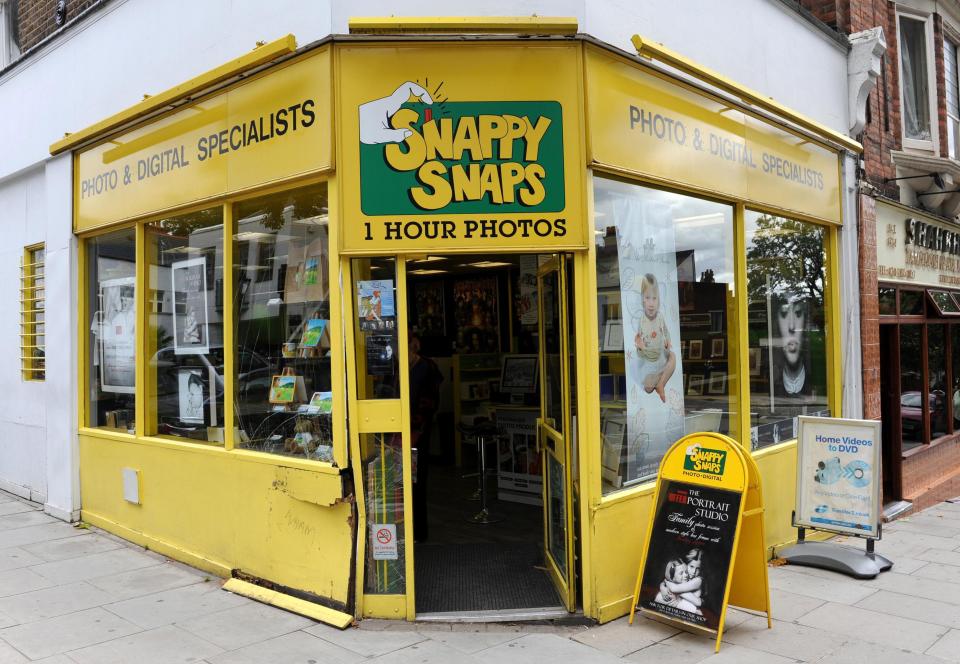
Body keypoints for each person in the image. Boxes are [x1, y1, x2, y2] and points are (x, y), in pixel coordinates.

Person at [408, 332, 443, 542]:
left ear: (415, 345)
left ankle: (419, 533)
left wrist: (416, 426)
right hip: (397, 432)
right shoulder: (397, 368)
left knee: (418, 481)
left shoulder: (428, 368)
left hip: (418, 432)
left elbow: (431, 402)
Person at [634, 273, 676, 402]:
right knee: (647, 388)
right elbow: (639, 348)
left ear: (659, 301)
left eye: (654, 298)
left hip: (660, 357)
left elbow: (666, 331)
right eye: (648, 298)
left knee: (673, 357)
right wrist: (640, 348)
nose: (651, 303)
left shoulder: (660, 317)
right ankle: (657, 379)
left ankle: (661, 383)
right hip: (649, 361)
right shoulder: (641, 321)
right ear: (643, 300)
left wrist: (668, 340)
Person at [774, 293, 811, 398]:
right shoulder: (773, 379)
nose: (792, 326)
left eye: (798, 313)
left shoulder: (818, 378)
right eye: (784, 314)